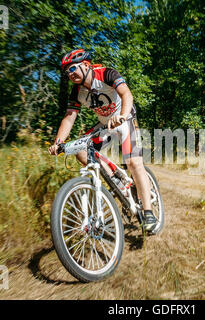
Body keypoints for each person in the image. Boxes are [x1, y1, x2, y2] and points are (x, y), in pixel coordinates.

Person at [48, 49, 157, 231]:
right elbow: (69, 116)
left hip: (125, 118)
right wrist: (58, 142)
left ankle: (148, 212)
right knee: (81, 150)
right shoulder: (77, 92)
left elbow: (126, 94)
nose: (70, 74)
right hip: (105, 124)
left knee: (133, 161)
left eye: (72, 68)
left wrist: (122, 116)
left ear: (85, 65)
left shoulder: (106, 73)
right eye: (66, 71)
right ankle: (117, 181)